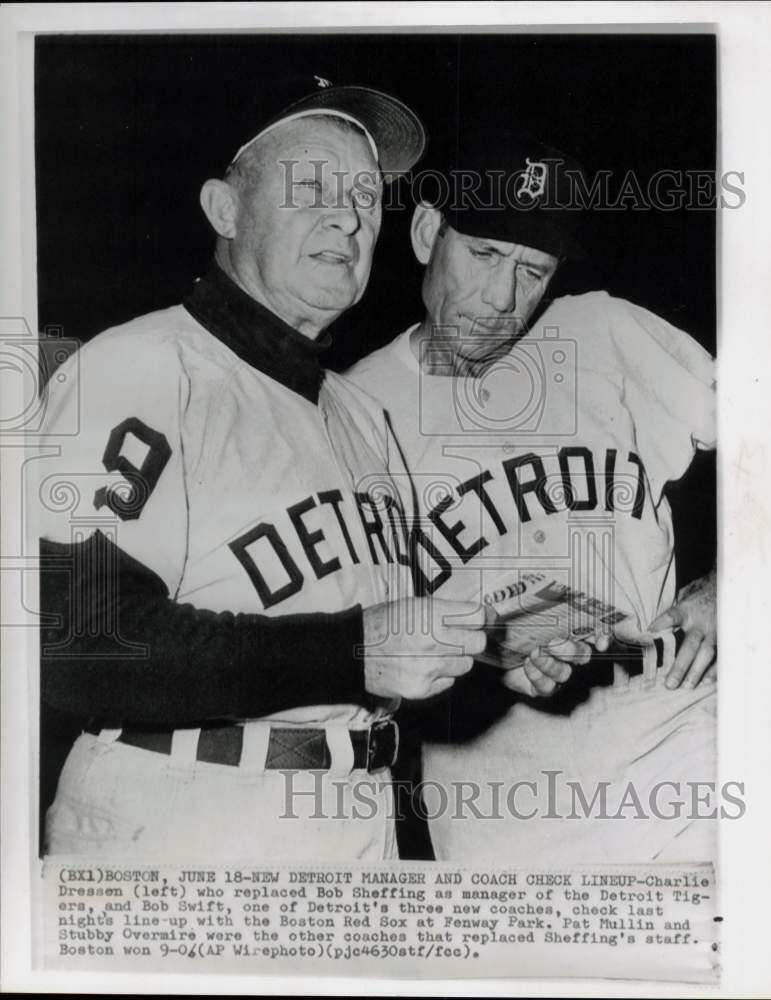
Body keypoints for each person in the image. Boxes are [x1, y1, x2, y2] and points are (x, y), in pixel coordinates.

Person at [35, 80, 487, 862]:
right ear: (224, 209)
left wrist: (489, 643)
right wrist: (351, 653)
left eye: (366, 197)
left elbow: (372, 636)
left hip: (358, 818)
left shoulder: (357, 413)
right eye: (312, 187)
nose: (348, 217)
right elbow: (76, 642)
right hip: (183, 819)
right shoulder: (140, 365)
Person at [348, 126, 718, 864]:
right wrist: (483, 643)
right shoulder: (349, 411)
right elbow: (342, 633)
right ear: (427, 232)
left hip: (675, 735)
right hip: (499, 802)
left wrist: (734, 581)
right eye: (483, 254)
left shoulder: (601, 334)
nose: (500, 298)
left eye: (531, 269)